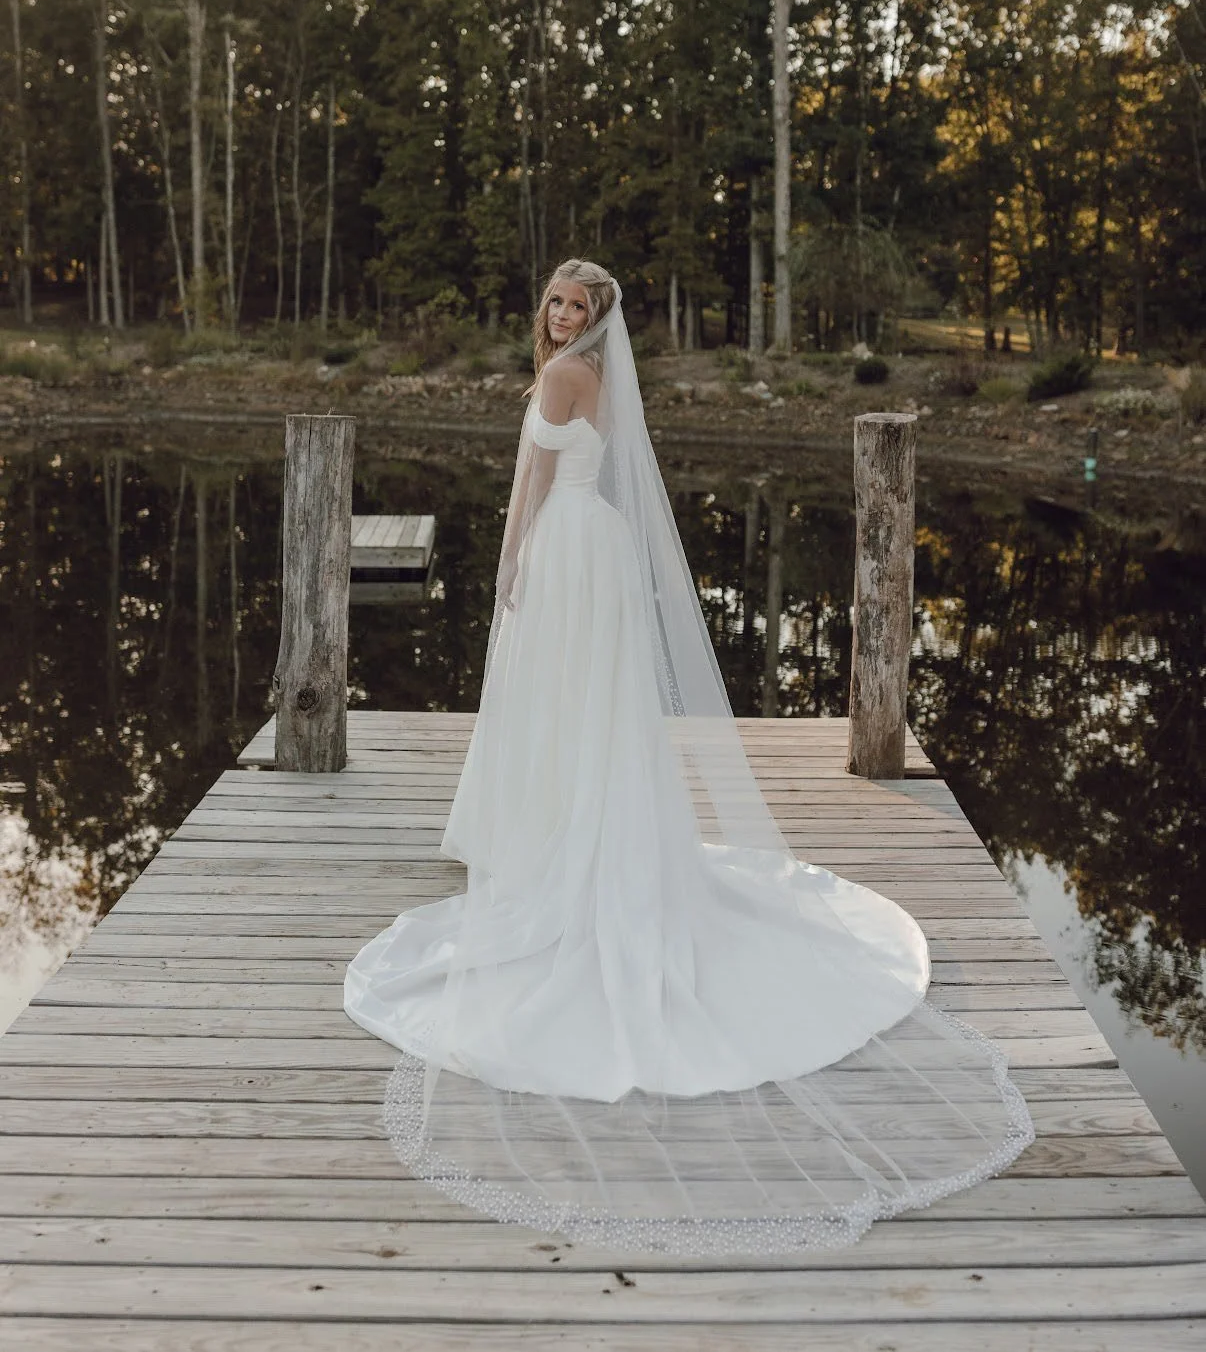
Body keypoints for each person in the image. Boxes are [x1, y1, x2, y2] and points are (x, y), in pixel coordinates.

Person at [345, 259, 1033, 1253]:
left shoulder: (558, 378)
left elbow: (531, 487)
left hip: (568, 553)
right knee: (596, 719)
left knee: (563, 712)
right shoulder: (605, 380)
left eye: (578, 307)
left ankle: (560, 851)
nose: (564, 315)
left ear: (595, 319)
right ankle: (580, 837)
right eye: (557, 301)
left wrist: (507, 573)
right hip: (603, 551)